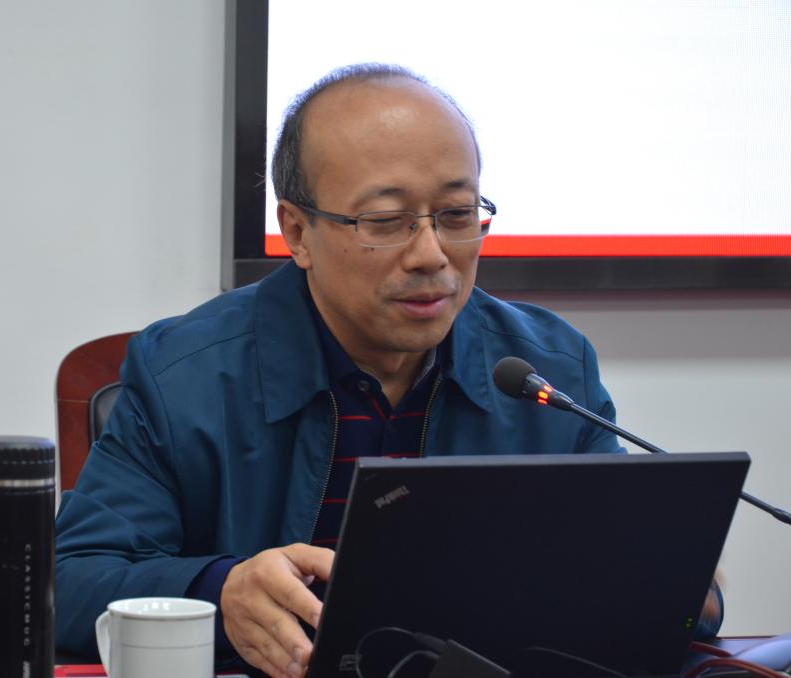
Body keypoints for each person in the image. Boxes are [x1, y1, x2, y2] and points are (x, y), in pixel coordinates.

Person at [54, 64, 719, 677]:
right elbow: (69, 582)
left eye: (456, 215)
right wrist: (220, 591)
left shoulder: (547, 371)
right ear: (298, 232)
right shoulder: (185, 375)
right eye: (385, 220)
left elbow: (647, 588)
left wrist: (678, 582)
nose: (431, 254)